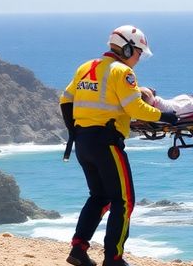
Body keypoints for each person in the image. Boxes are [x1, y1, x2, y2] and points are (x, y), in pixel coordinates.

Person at [61, 25, 178, 266]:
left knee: (99, 197)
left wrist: (74, 130)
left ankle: (78, 250)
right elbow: (135, 108)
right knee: (124, 201)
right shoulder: (122, 72)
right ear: (126, 49)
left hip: (83, 143)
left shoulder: (87, 67)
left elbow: (66, 100)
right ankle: (113, 258)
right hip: (107, 144)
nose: (138, 59)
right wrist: (165, 116)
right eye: (138, 53)